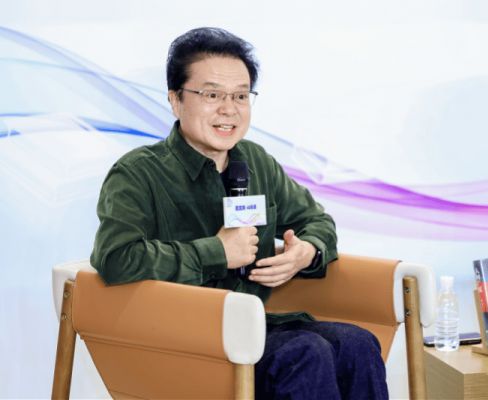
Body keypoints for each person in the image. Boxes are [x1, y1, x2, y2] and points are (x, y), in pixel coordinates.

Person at [91, 27, 388, 399]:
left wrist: (306, 251)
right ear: (175, 100)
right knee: (305, 353)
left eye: (241, 96)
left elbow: (316, 222)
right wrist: (216, 252)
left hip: (250, 328)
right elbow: (115, 257)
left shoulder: (256, 162)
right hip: (178, 340)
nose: (229, 109)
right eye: (212, 94)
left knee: (357, 344)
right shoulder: (137, 173)